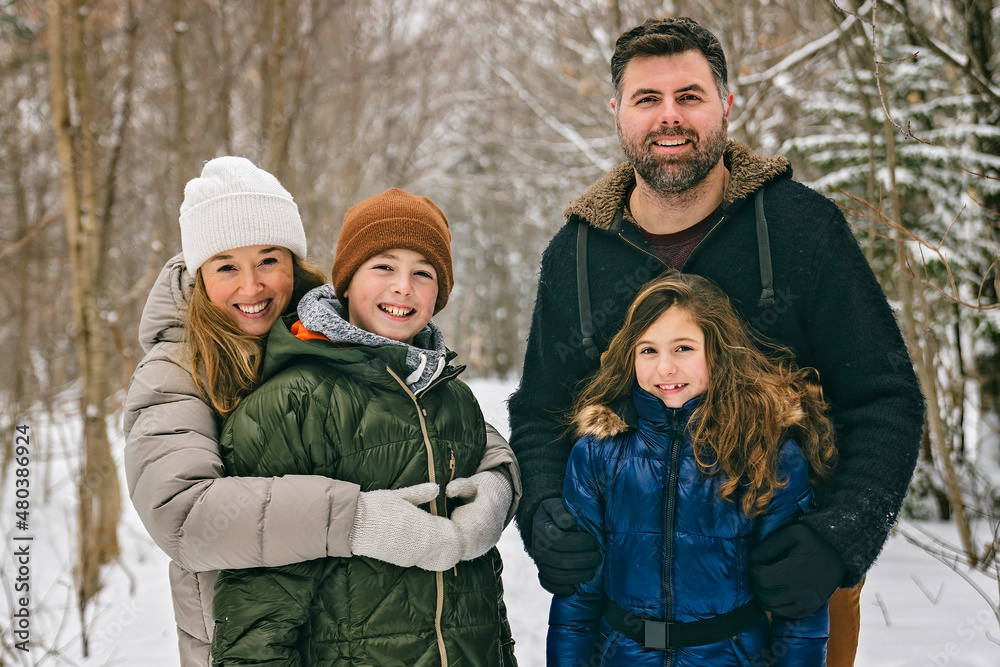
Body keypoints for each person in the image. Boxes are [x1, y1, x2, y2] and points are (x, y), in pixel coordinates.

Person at [508, 17, 925, 667]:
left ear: (726, 106)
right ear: (618, 114)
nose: (668, 117)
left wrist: (839, 538)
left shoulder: (802, 228)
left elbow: (887, 397)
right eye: (648, 99)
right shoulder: (577, 254)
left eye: (690, 96)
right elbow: (539, 411)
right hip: (631, 611)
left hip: (791, 586)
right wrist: (541, 514)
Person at [123, 158, 520, 666]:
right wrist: (360, 519)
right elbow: (183, 513)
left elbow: (418, 419)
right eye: (226, 267)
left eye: (269, 260)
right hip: (238, 634)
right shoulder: (174, 370)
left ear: (294, 262)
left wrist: (496, 479)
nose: (252, 287)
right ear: (200, 276)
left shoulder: (320, 332)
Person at [547, 272, 833, 665]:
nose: (665, 368)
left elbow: (798, 609)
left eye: (683, 348)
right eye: (648, 350)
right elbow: (576, 601)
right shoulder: (597, 452)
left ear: (718, 351)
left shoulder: (766, 451)